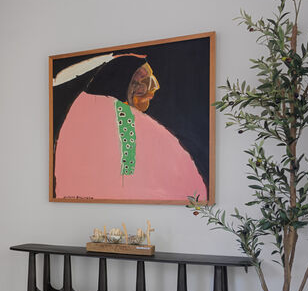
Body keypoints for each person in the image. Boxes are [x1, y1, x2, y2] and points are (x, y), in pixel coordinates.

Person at [53, 52, 206, 201]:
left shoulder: (82, 108)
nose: (154, 88)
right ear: (125, 83)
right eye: (143, 80)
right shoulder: (119, 114)